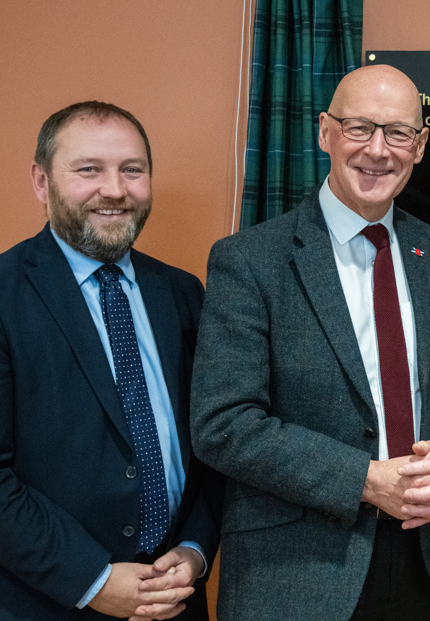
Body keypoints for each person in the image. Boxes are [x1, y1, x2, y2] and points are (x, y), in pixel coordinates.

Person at [191, 64, 430, 621]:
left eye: (398, 133)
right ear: (324, 133)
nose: (378, 151)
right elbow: (224, 424)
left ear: (421, 145)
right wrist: (364, 480)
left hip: (425, 564)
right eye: (359, 127)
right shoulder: (249, 261)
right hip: (294, 576)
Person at [0, 102, 222, 621]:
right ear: (41, 180)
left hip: (175, 600)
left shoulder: (183, 292)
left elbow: (214, 442)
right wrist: (93, 578)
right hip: (46, 601)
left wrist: (194, 550)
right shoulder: (5, 296)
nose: (115, 190)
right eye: (89, 170)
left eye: (132, 170)